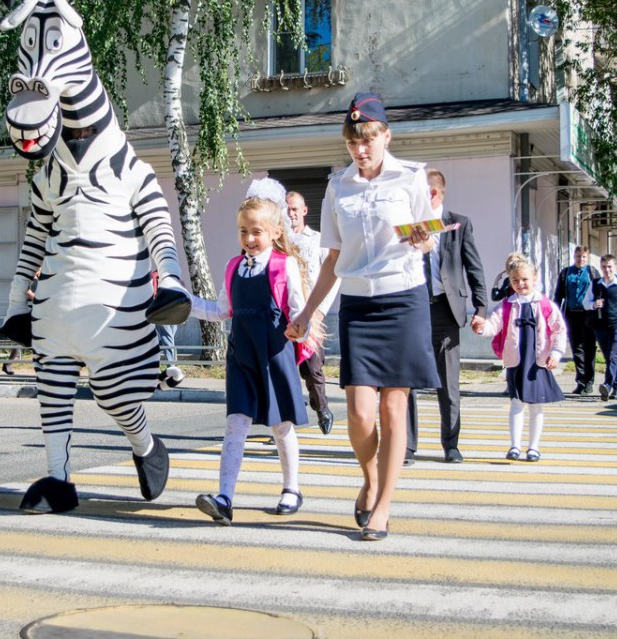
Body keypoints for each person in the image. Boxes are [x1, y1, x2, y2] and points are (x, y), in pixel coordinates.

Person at [286, 92, 441, 542]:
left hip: (403, 299)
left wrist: (422, 237)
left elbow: (429, 234)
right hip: (358, 305)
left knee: (395, 408)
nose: (362, 148)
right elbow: (333, 257)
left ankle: (384, 506)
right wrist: (307, 310)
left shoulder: (411, 177)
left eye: (369, 138)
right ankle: (370, 478)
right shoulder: (339, 185)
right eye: (355, 139)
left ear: (386, 136)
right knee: (358, 413)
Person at [188, 195, 312, 525]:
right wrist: (185, 302)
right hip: (240, 353)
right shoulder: (233, 266)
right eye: (243, 231)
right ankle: (225, 497)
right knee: (235, 423)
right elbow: (221, 311)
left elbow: (299, 309)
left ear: (274, 232)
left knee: (280, 424)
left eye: (257, 231)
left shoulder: (283, 264)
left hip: (273, 352)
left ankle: (292, 488)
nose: (249, 239)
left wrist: (303, 326)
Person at [404, 169, 488, 465]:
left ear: (434, 193)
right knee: (406, 381)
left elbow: (474, 268)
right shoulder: (407, 225)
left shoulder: (459, 224)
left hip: (445, 309)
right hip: (412, 308)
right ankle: (407, 447)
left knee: (448, 382)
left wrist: (481, 309)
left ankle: (451, 445)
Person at [474, 256, 567, 462]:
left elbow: (559, 330)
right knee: (516, 402)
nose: (520, 284)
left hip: (538, 362)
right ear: (510, 281)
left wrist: (556, 353)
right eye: (515, 280)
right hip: (516, 361)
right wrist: (481, 327)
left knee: (536, 405)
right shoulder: (507, 305)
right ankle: (515, 446)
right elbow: (494, 325)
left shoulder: (545, 304)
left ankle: (533, 447)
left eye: (524, 279)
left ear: (534, 278)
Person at [286, 190, 339, 434]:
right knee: (284, 367)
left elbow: (333, 275)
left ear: (304, 211)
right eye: (287, 209)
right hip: (285, 312)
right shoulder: (279, 240)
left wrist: (319, 311)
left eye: (295, 209)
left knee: (311, 365)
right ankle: (285, 421)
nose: (291, 213)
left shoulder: (317, 240)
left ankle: (322, 408)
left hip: (312, 312)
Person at [553, 246, 601, 395]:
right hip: (571, 314)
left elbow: (600, 292)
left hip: (588, 315)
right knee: (576, 348)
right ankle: (581, 381)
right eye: (578, 256)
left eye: (584, 257)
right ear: (574, 257)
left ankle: (589, 382)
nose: (581, 259)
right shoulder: (566, 273)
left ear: (588, 258)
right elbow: (558, 296)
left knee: (589, 348)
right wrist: (557, 315)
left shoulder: (592, 273)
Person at [589, 254, 617, 401]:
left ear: (615, 267)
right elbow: (585, 302)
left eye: (610, 267)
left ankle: (608, 385)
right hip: (600, 325)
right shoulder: (595, 284)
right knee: (609, 357)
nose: (607, 270)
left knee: (613, 356)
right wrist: (594, 304)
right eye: (604, 267)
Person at [2, 269, 39, 375]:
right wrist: (38, 299)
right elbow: (27, 292)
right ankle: (8, 364)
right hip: (27, 312)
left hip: (35, 311)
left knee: (22, 341)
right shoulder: (29, 280)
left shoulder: (39, 279)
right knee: (24, 340)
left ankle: (8, 364)